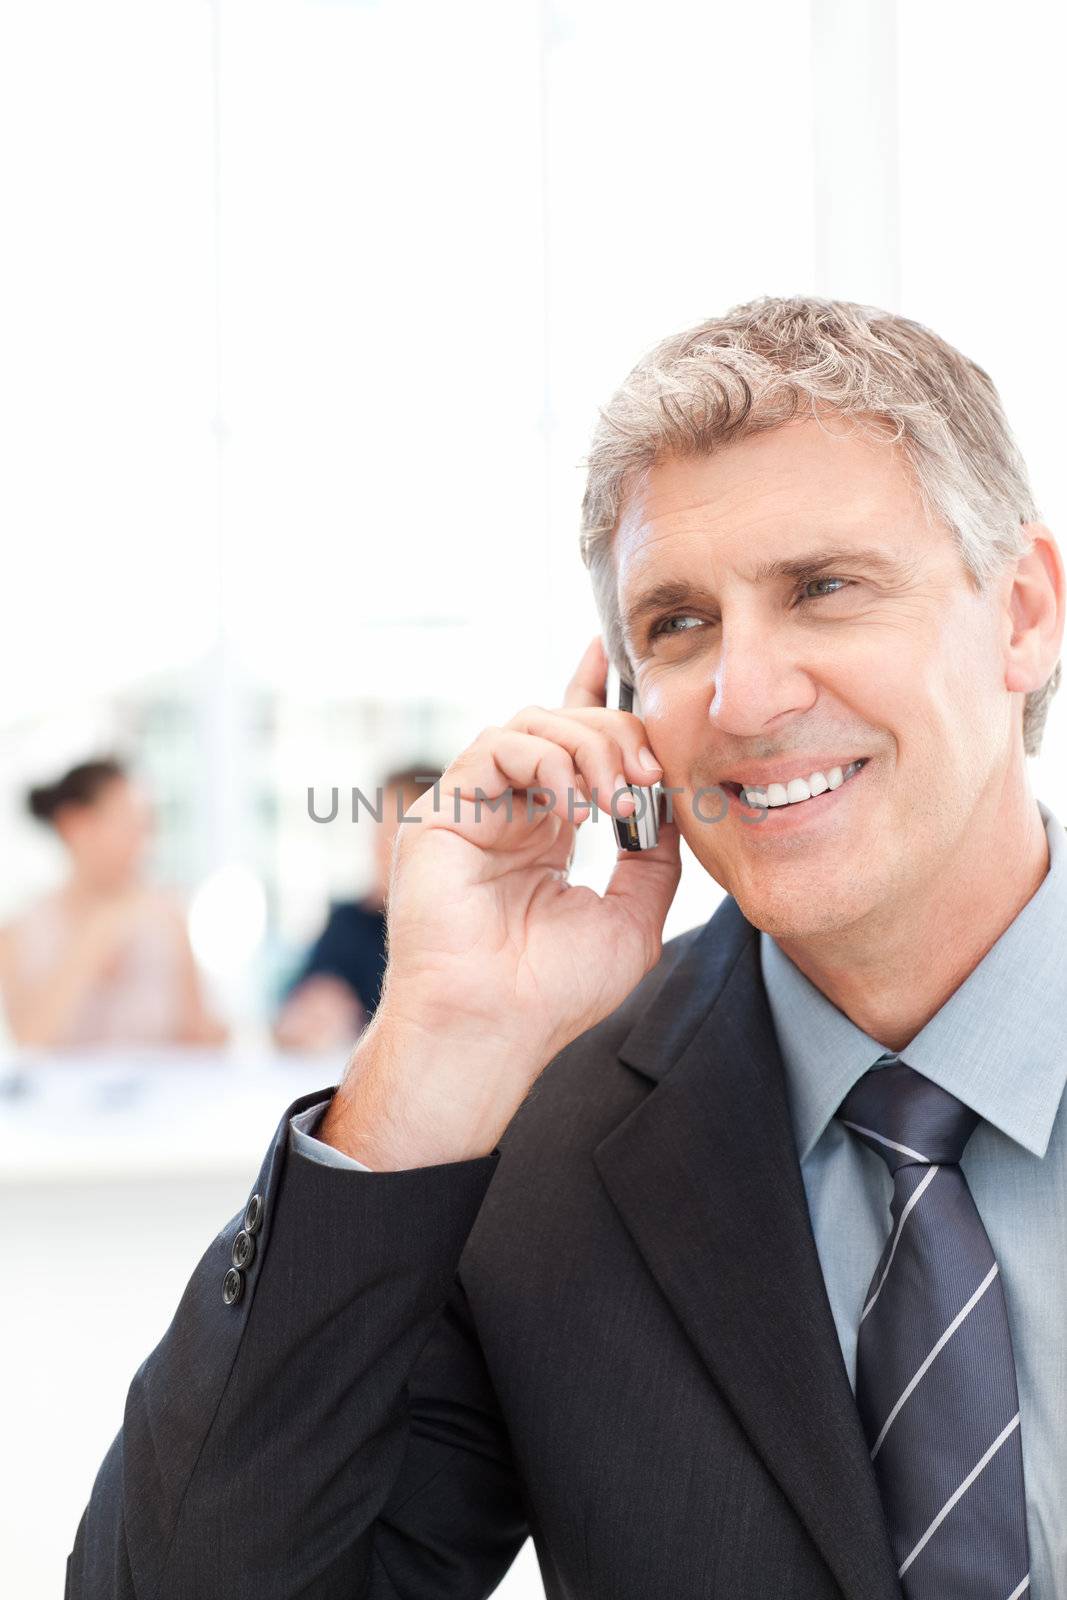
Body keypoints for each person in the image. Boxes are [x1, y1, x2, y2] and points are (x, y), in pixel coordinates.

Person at [67, 299, 1066, 1598]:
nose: (744, 698)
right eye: (678, 626)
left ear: (1022, 614)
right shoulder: (543, 1153)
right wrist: (430, 1055)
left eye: (821, 589)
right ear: (614, 703)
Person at [0, 757, 228, 1049]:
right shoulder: (19, 931)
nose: (142, 842)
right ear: (74, 825)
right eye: (126, 823)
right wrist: (98, 934)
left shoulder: (167, 916)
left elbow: (200, 1038)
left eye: (146, 826)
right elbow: (30, 1042)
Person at [272, 765, 442, 1052]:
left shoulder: (467, 937)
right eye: (378, 834)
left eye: (395, 836)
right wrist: (306, 1019)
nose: (379, 851)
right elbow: (286, 1025)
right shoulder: (348, 923)